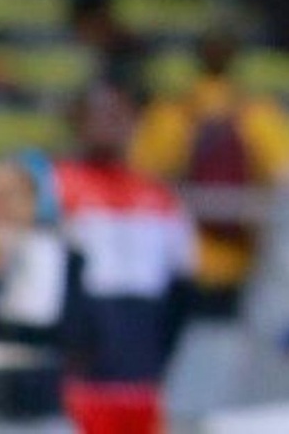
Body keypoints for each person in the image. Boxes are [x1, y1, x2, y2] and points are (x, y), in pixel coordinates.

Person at [128, 26, 289, 425]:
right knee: (224, 354)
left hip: (178, 263)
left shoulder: (172, 113)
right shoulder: (256, 114)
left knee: (170, 357)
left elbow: (143, 173)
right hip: (237, 259)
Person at [55, 81, 195, 434]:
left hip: (141, 367)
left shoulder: (159, 196)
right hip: (74, 370)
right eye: (98, 114)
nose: (109, 124)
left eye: (117, 115)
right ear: (78, 121)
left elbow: (182, 284)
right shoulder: (55, 187)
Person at [0, 152, 79, 434]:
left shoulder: (59, 254)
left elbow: (55, 326)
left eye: (9, 194)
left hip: (38, 407)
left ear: (34, 200)